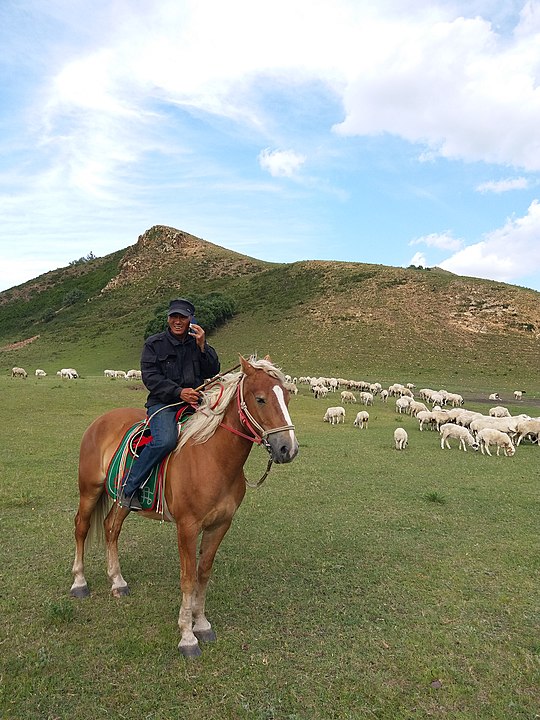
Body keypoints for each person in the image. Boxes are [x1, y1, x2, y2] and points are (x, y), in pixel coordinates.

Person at [119, 298, 220, 510]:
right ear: (168, 318)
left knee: (220, 432)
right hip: (163, 404)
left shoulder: (197, 343)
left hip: (195, 403)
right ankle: (129, 488)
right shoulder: (154, 344)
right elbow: (151, 378)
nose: (177, 321)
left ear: (190, 319)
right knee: (165, 440)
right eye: (174, 316)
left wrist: (203, 346)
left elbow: (212, 370)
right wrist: (178, 392)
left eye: (182, 317)